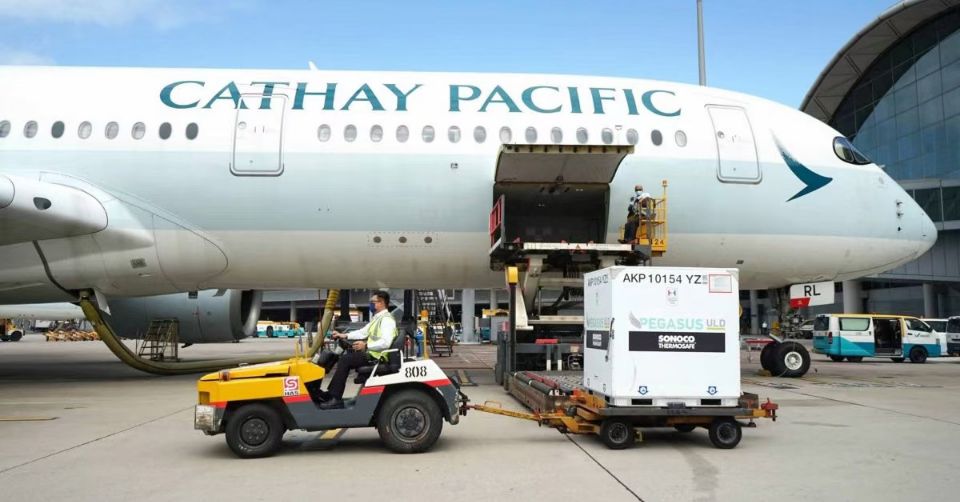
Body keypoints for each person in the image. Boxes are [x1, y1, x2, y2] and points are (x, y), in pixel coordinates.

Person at [318, 290, 397, 409]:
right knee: (345, 358)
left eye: (373, 302)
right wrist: (344, 336)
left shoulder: (387, 320)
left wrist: (366, 346)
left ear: (381, 303)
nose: (371, 304)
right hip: (372, 353)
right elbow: (362, 332)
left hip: (377, 357)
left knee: (345, 360)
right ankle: (331, 394)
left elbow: (386, 342)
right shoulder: (378, 319)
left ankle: (335, 398)